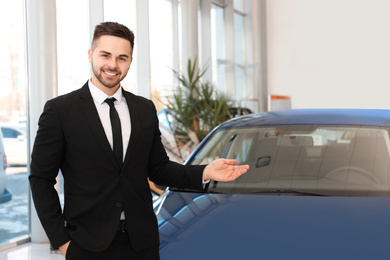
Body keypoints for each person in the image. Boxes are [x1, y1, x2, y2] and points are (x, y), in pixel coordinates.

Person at [29, 21, 249, 260]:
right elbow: (40, 178)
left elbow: (159, 169)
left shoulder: (144, 109)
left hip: (142, 244)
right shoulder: (60, 111)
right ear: (91, 55)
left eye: (122, 58)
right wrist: (62, 242)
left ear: (130, 61)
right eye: (105, 55)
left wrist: (205, 172)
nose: (113, 65)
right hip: (87, 245)